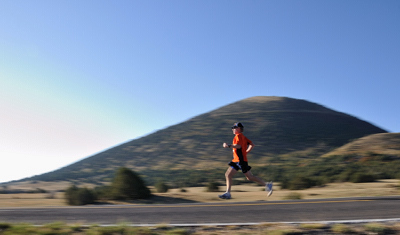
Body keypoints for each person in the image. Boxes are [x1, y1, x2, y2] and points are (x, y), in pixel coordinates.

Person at [219, 122, 273, 199]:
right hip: (237, 160)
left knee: (246, 177)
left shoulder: (238, 136)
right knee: (231, 175)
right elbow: (252, 144)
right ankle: (228, 193)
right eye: (233, 128)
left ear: (238, 129)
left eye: (234, 128)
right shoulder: (243, 137)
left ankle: (267, 185)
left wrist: (228, 145)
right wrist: (246, 152)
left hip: (240, 161)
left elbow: (238, 146)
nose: (233, 129)